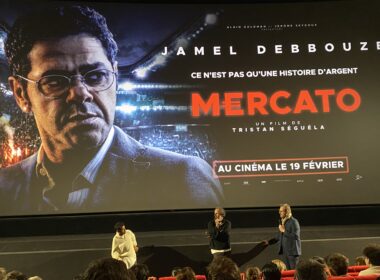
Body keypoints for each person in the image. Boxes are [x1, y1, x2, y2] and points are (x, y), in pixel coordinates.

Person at [0, 5, 223, 215]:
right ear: (21, 93)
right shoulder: (4, 188)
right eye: (56, 81)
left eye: (96, 76)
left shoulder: (182, 177)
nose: (80, 93)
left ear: (114, 77)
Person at [268, 204, 301, 270]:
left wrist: (283, 230)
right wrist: (269, 242)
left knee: (293, 272)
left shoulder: (294, 222)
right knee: (286, 272)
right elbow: (279, 236)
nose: (279, 213)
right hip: (284, 253)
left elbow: (296, 236)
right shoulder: (283, 222)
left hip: (292, 253)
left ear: (287, 212)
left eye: (281, 211)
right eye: (279, 211)